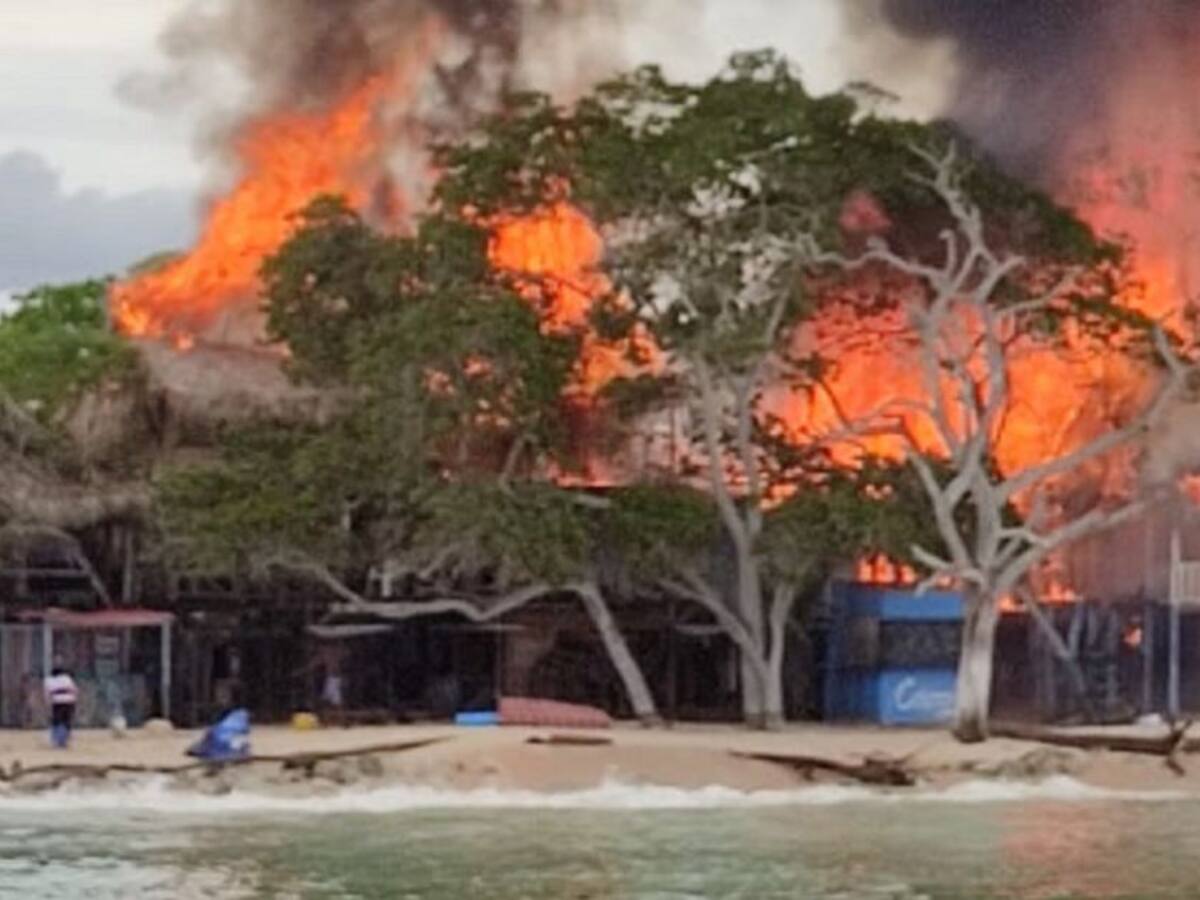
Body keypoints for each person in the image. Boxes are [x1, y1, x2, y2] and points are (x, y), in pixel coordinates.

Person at [43, 667, 78, 749]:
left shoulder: (48, 680)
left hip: (57, 701)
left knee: (57, 720)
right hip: (69, 700)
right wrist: (74, 701)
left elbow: (47, 694)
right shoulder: (67, 678)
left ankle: (57, 739)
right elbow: (75, 690)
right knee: (66, 720)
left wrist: (48, 703)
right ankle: (63, 740)